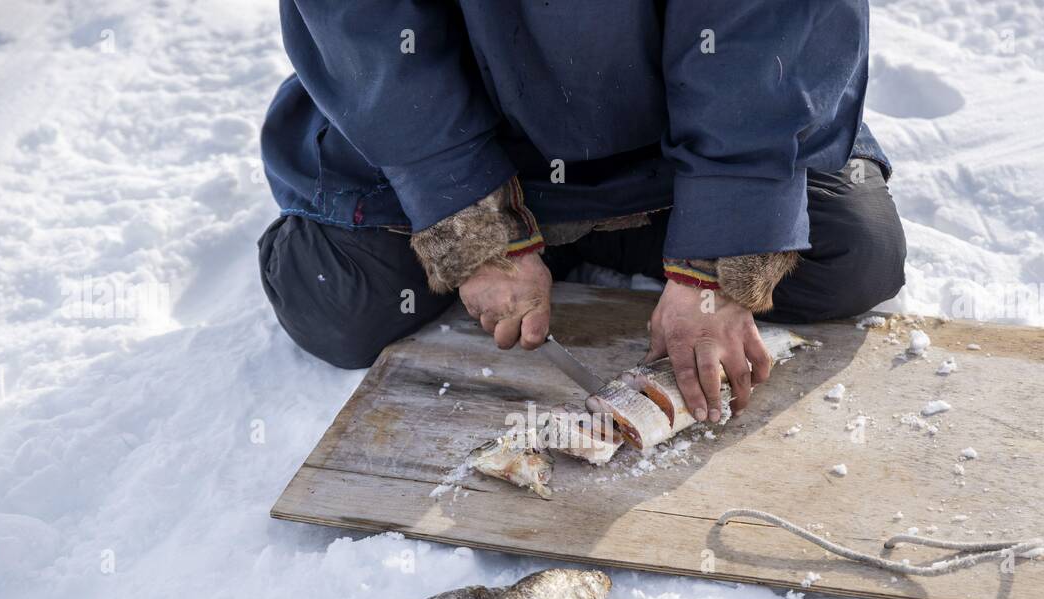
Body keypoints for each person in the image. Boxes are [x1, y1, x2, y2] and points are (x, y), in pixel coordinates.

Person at [257, 1, 905, 423]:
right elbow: (364, 31)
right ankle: (559, 230)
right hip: (457, 132)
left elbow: (768, 29)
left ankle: (615, 228)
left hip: (681, 133)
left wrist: (717, 259)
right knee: (339, 305)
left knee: (851, 258)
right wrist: (470, 222)